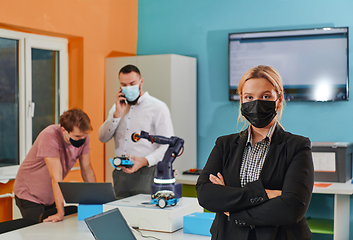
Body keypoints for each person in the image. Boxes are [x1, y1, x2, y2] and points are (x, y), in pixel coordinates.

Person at [196, 65, 314, 240]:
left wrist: (233, 210)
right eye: (249, 97)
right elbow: (206, 194)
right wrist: (264, 193)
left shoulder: (297, 146)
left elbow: (292, 208)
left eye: (265, 96)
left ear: (279, 100)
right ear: (242, 101)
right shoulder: (225, 144)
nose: (256, 103)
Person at [99, 64, 174, 199]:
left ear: (141, 82)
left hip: (146, 172)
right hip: (121, 173)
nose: (128, 88)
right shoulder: (117, 107)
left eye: (132, 83)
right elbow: (102, 137)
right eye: (124, 84)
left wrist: (144, 161)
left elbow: (167, 146)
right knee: (121, 213)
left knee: (144, 216)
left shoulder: (158, 107)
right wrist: (116, 114)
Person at [14, 108, 96, 223]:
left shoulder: (83, 136)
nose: (81, 139)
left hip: (50, 195)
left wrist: (96, 200)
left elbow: (87, 170)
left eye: (85, 135)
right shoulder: (49, 136)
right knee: (40, 233)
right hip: (29, 194)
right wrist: (60, 212)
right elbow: (56, 176)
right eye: (77, 136)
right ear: (64, 130)